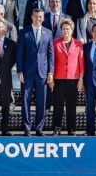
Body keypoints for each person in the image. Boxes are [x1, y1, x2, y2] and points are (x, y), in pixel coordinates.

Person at [17, 8, 54, 136]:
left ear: (43, 18)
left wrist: (50, 72)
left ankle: (39, 127)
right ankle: (27, 127)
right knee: (25, 100)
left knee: (41, 101)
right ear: (32, 17)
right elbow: (19, 53)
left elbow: (50, 55)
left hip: (42, 73)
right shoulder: (23, 32)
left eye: (40, 17)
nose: (38, 19)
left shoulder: (48, 33)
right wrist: (20, 70)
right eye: (36, 16)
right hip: (27, 72)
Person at [51, 19, 84, 136]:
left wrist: (81, 79)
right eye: (64, 29)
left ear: (72, 30)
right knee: (58, 105)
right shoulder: (55, 43)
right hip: (58, 79)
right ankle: (57, 128)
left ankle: (71, 129)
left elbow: (81, 63)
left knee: (71, 105)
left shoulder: (78, 44)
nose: (66, 31)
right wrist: (51, 78)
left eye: (68, 29)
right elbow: (52, 61)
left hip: (73, 79)